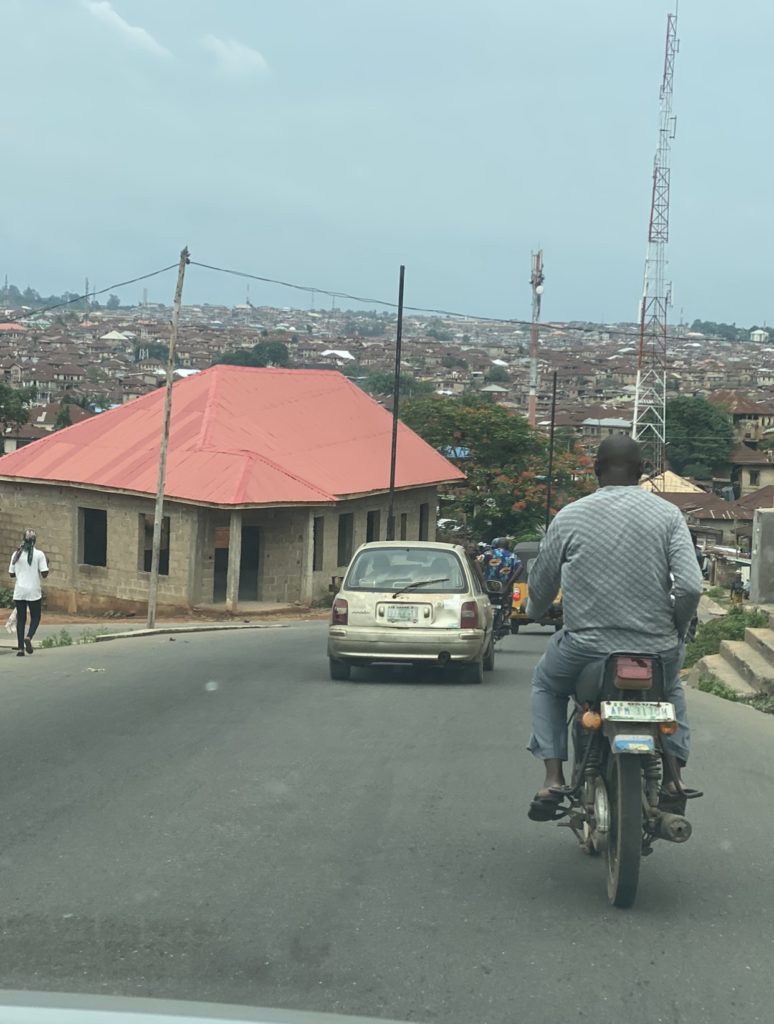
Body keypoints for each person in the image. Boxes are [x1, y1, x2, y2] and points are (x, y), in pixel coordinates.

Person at [524, 436, 703, 821]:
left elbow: (541, 588)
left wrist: (535, 610)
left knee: (546, 685)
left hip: (586, 647)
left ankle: (553, 778)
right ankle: (674, 780)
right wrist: (676, 628)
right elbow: (689, 586)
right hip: (656, 649)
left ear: (595, 471)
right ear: (641, 472)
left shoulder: (570, 516)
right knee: (670, 689)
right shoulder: (668, 515)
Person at [8, 528, 49, 657]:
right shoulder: (39, 554)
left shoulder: (16, 554)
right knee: (36, 617)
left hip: (19, 591)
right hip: (33, 591)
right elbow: (44, 574)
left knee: (21, 619)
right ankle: (29, 637)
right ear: (35, 541)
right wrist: (47, 564)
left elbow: (11, 574)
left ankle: (20, 648)